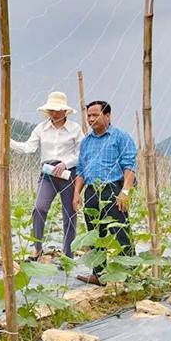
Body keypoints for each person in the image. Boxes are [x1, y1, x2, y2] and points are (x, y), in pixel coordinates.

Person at [10, 91, 83, 259]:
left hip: (68, 174)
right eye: (51, 110)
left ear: (65, 111)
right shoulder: (41, 128)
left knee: (69, 214)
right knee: (39, 208)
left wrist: (66, 162)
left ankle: (68, 253)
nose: (53, 113)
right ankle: (37, 247)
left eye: (57, 110)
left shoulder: (75, 129)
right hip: (48, 173)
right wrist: (8, 141)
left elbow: (82, 153)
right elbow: (29, 147)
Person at [72, 100, 137, 286]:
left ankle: (129, 274)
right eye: (89, 116)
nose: (91, 119)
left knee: (120, 231)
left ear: (107, 116)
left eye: (95, 115)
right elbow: (81, 171)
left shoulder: (120, 137)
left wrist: (124, 191)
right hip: (92, 191)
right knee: (94, 234)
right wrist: (77, 193)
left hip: (113, 189)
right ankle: (99, 274)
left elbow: (129, 166)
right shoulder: (86, 142)